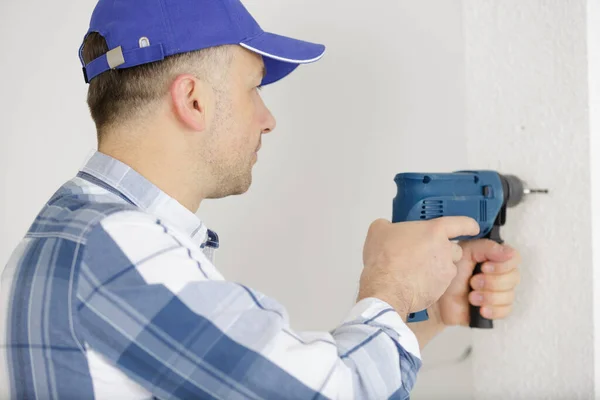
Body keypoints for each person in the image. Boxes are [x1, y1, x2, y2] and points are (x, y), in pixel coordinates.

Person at [0, 0, 521, 398]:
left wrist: (424, 312)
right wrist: (390, 287)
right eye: (254, 87)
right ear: (193, 99)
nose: (267, 118)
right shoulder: (117, 249)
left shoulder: (72, 235)